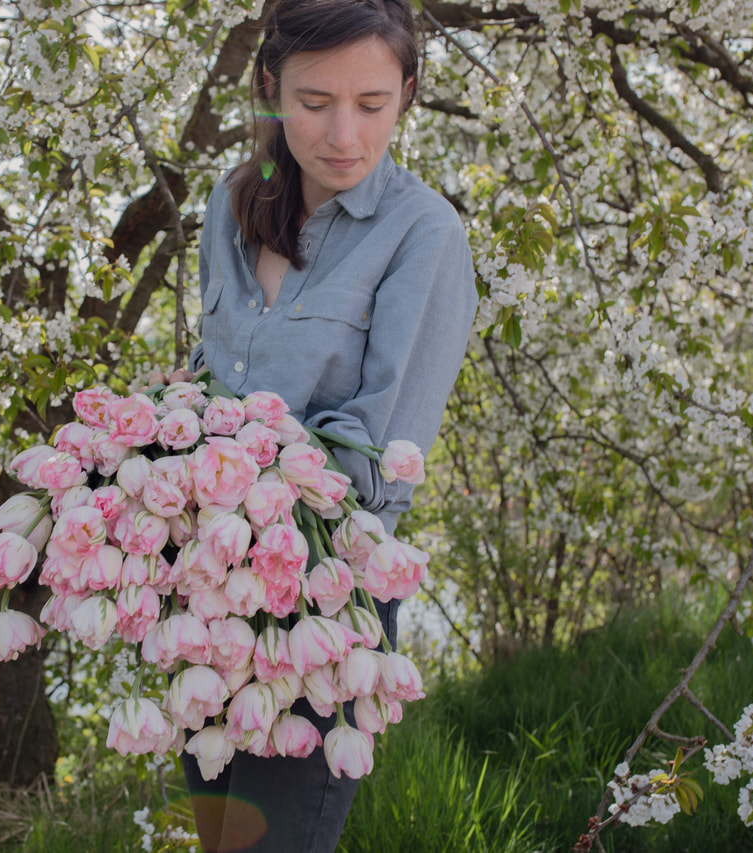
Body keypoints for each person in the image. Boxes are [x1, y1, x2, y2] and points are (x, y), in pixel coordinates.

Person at [154, 0, 478, 849]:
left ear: (406, 94)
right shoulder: (231, 210)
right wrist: (156, 427)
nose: (344, 133)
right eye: (313, 101)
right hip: (205, 594)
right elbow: (209, 379)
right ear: (269, 88)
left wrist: (224, 464)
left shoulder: (424, 234)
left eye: (372, 104)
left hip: (323, 604)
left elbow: (373, 465)